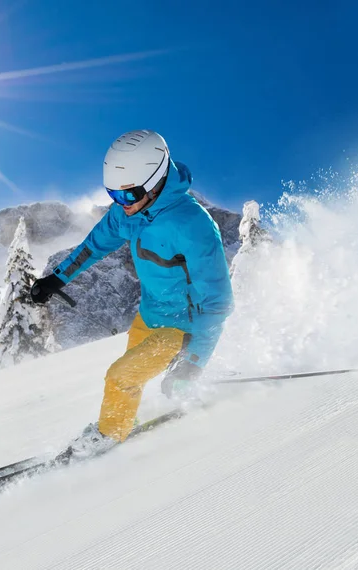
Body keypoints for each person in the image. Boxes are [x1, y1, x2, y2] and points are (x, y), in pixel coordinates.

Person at [30, 130, 233, 458]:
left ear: (155, 183)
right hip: (148, 317)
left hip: (182, 328)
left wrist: (193, 362)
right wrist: (57, 279)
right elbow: (94, 246)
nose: (121, 205)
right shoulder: (130, 211)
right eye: (113, 194)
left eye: (128, 195)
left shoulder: (193, 227)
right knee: (130, 377)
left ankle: (108, 436)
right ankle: (124, 420)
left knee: (120, 375)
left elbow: (218, 302)